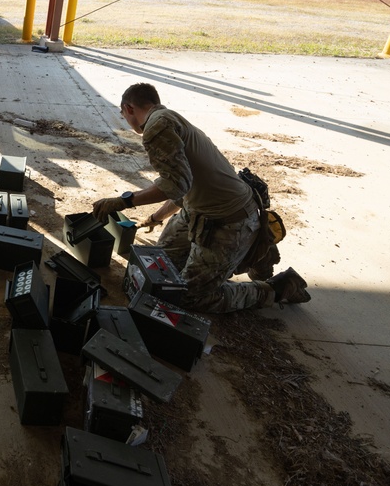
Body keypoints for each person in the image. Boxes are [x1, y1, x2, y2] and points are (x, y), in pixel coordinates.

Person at [91, 82, 310, 313]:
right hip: (199, 211)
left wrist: (124, 201)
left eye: (122, 113)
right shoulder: (169, 118)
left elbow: (175, 185)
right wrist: (156, 217)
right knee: (159, 267)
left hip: (229, 222)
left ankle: (275, 288)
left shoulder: (156, 128)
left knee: (190, 298)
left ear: (128, 108)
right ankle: (252, 252)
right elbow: (185, 185)